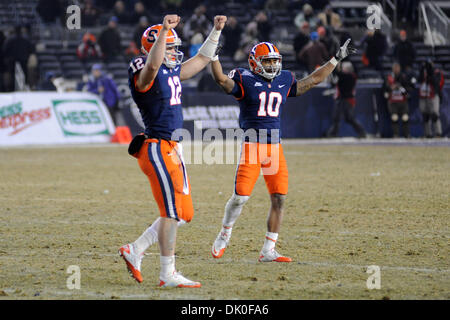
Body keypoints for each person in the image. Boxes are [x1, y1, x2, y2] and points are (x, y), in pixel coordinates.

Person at [210, 38, 356, 262]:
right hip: (252, 146)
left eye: (274, 61)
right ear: (255, 63)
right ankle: (224, 234)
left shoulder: (284, 79)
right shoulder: (244, 79)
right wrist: (214, 56)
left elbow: (314, 79)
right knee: (240, 197)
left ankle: (268, 249)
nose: (272, 66)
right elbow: (220, 79)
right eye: (267, 62)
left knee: (279, 198)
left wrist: (336, 58)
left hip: (275, 148)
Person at [118, 14, 226, 288]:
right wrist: (164, 29)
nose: (173, 52)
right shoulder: (142, 67)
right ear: (152, 47)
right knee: (170, 212)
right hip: (156, 147)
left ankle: (135, 249)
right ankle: (167, 273)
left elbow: (201, 60)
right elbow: (151, 68)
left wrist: (215, 31)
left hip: (173, 148)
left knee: (184, 213)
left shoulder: (171, 68)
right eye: (168, 46)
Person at [326, 61, 366, 138]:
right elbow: (334, 82)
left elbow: (340, 76)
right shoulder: (344, 76)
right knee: (338, 118)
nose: (343, 69)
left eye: (344, 68)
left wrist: (337, 68)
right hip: (342, 99)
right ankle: (333, 133)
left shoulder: (351, 76)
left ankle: (361, 132)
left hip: (346, 100)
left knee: (348, 118)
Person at [382, 62, 413, 138]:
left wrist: (402, 88)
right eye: (395, 68)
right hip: (393, 101)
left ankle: (407, 134)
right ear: (392, 69)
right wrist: (390, 88)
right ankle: (396, 134)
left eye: (397, 68)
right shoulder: (389, 77)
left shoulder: (403, 77)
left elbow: (409, 88)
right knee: (394, 117)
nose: (396, 69)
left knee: (405, 117)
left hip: (402, 101)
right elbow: (384, 88)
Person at [418, 60, 444, 138]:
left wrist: (431, 72)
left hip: (433, 95)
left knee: (434, 115)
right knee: (425, 115)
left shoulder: (437, 72)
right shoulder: (423, 71)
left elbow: (436, 83)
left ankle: (438, 133)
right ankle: (428, 134)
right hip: (423, 95)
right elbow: (419, 79)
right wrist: (422, 69)